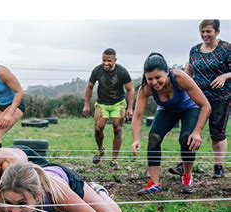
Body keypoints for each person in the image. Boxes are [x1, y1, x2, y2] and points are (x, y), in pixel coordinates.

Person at [131, 53, 211, 195]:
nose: (154, 82)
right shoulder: (145, 89)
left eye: (158, 78)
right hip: (167, 110)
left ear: (167, 72)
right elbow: (137, 116)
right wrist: (136, 139)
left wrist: (197, 131)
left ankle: (187, 177)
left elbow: (206, 105)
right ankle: (154, 183)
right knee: (154, 137)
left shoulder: (180, 78)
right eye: (150, 79)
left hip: (189, 108)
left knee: (186, 137)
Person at [173, 20, 230, 178]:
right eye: (202, 31)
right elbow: (189, 71)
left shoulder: (226, 49)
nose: (205, 34)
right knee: (190, 130)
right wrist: (180, 86)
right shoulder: (194, 51)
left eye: (209, 31)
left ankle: (218, 166)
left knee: (217, 132)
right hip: (197, 97)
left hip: (221, 97)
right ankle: (184, 164)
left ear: (217, 32)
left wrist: (225, 76)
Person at [83, 48, 135, 169]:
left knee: (117, 128)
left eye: (109, 61)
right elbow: (89, 86)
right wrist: (86, 105)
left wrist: (130, 108)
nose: (106, 63)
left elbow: (130, 89)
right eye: (104, 60)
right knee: (98, 128)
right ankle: (100, 150)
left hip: (118, 103)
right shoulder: (97, 70)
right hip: (102, 103)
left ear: (115, 60)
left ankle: (114, 160)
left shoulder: (122, 72)